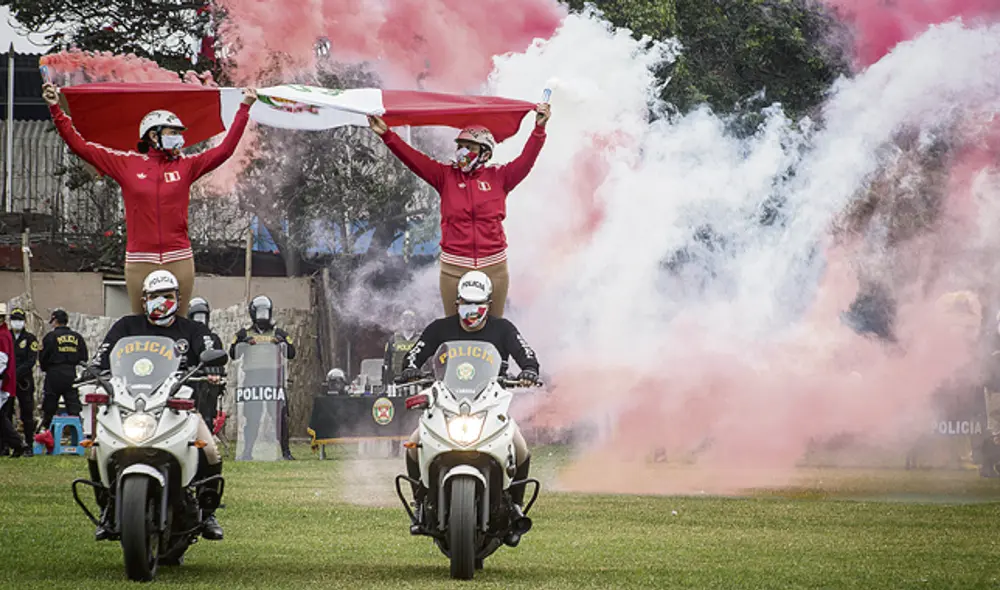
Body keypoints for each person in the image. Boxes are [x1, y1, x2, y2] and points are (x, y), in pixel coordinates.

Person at [42, 83, 258, 317]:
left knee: (180, 323)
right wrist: (55, 109)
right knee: (139, 322)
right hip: (139, 259)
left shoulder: (187, 166)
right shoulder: (126, 164)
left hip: (180, 257)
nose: (179, 138)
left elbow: (224, 151)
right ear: (153, 135)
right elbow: (80, 146)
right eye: (172, 133)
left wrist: (244, 108)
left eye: (179, 133)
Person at [368, 102, 552, 318]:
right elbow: (414, 160)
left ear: (485, 153)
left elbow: (526, 160)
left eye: (470, 147)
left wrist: (539, 129)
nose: (462, 151)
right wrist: (387, 135)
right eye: (460, 146)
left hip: (494, 266)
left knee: (494, 327)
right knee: (454, 327)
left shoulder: (501, 177)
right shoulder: (444, 176)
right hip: (454, 267)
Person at [399, 270, 539, 546]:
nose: (471, 310)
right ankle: (420, 504)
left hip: (490, 400)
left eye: (477, 304)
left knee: (521, 448)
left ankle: (516, 508)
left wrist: (530, 371)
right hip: (447, 400)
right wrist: (411, 369)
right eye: (465, 303)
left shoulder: (504, 329)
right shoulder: (439, 328)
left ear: (488, 303)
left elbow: (527, 355)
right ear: (457, 302)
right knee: (415, 443)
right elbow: (414, 354)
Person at [90, 270, 226, 540]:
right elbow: (104, 353)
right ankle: (107, 509)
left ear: (178, 297)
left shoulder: (192, 330)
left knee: (210, 450)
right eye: (155, 296)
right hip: (129, 406)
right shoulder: (126, 327)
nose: (161, 301)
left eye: (167, 295)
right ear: (144, 300)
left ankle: (207, 513)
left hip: (179, 407)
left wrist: (212, 367)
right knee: (95, 450)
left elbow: (210, 346)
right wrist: (93, 367)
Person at [229, 295, 297, 460]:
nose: (262, 316)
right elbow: (232, 355)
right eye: (259, 312)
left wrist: (283, 343)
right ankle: (247, 452)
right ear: (253, 313)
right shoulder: (243, 333)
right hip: (252, 378)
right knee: (252, 417)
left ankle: (285, 452)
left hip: (273, 378)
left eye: (265, 312)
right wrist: (242, 343)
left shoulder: (278, 332)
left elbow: (292, 353)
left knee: (279, 417)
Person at [38, 309, 88, 431]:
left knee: (50, 406)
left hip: (54, 374)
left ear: (55, 321)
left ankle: (48, 433)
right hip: (71, 373)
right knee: (73, 406)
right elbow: (84, 357)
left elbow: (43, 357)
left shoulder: (50, 337)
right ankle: (77, 434)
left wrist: (46, 368)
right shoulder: (77, 337)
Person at [187, 296, 225, 429]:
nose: (200, 321)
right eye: (197, 317)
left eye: (202, 317)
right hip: (186, 381)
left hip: (206, 382)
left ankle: (206, 439)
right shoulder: (183, 338)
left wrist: (216, 371)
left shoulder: (213, 338)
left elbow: (218, 358)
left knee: (207, 415)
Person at [6, 308, 38, 456]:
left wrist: (16, 373)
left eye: (19, 319)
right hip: (7, 380)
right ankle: (6, 445)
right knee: (6, 413)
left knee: (27, 413)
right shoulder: (6, 337)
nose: (16, 322)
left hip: (24, 380)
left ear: (24, 321)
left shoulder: (30, 339)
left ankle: (29, 445)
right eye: (14, 319)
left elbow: (31, 360)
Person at [0, 303, 27, 458]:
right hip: (5, 381)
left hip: (2, 382)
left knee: (2, 417)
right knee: (2, 417)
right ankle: (17, 444)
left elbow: (1, 361)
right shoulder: (5, 334)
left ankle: (17, 443)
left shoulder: (2, 336)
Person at [382, 310, 419, 388]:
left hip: (418, 381)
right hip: (397, 381)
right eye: (406, 319)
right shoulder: (393, 339)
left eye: (412, 319)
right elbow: (387, 363)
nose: (409, 322)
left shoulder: (422, 338)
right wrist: (386, 383)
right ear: (401, 322)